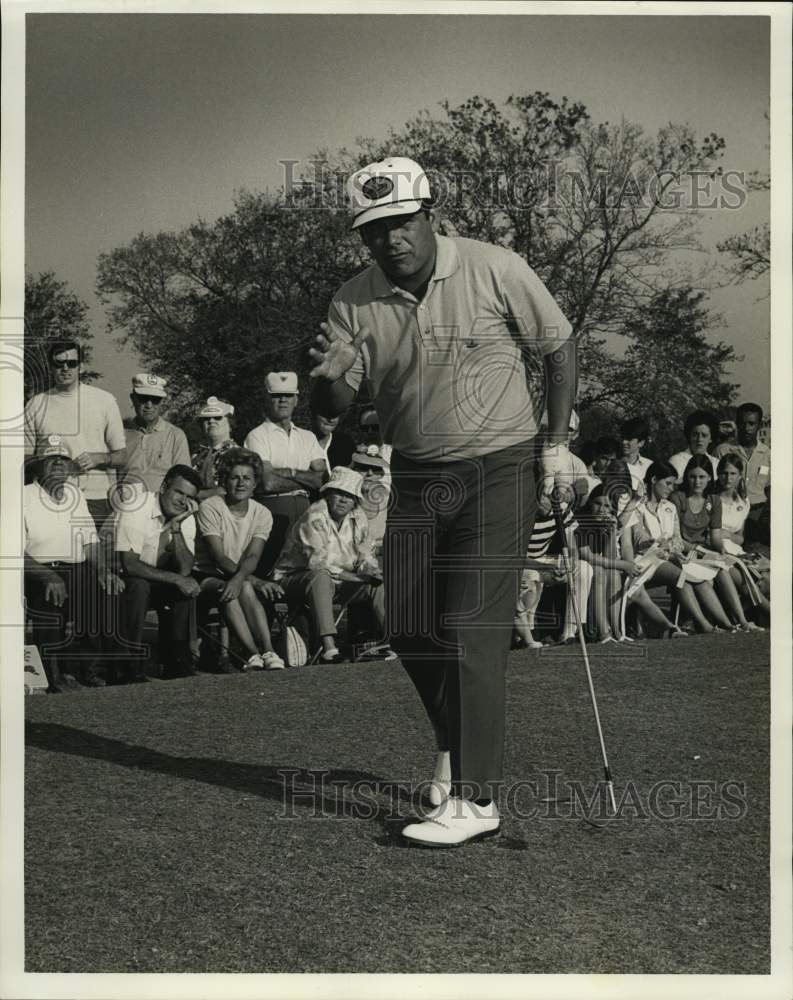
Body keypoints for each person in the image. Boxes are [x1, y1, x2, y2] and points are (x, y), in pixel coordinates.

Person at [310, 155, 576, 846]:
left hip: (501, 466)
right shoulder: (351, 299)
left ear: (430, 213)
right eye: (373, 231)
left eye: (400, 224)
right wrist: (331, 382)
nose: (389, 241)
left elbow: (558, 347)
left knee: (470, 625)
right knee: (403, 620)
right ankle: (456, 749)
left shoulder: (494, 266)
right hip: (418, 475)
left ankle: (477, 801)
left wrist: (552, 445)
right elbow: (331, 402)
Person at [24, 435, 125, 691]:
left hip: (76, 567)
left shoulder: (75, 494)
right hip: (38, 571)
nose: (58, 465)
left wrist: (103, 569)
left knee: (100, 588)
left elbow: (90, 541)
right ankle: (52, 674)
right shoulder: (22, 496)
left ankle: (88, 670)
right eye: (51, 459)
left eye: (63, 460)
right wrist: (48, 576)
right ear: (38, 465)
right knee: (48, 598)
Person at [273, 466, 387, 664]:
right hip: (293, 581)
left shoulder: (359, 518)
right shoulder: (315, 516)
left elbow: (365, 554)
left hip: (339, 582)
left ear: (355, 500)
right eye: (338, 494)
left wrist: (370, 571)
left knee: (377, 584)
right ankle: (329, 648)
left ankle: (394, 641)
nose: (343, 500)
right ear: (328, 494)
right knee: (321, 577)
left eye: (349, 495)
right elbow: (318, 563)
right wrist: (357, 577)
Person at [194, 448, 285, 671]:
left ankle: (269, 651)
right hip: (207, 573)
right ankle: (252, 654)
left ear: (255, 484)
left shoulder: (262, 513)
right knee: (233, 589)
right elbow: (218, 556)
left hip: (240, 573)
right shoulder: (211, 507)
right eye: (234, 477)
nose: (241, 483)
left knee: (242, 586)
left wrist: (242, 579)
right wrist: (247, 580)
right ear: (224, 481)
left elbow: (254, 554)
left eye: (247, 478)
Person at [24, 340, 126, 536]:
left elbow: (121, 456)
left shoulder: (104, 400)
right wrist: (49, 467)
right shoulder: (36, 404)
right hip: (49, 497)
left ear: (81, 366)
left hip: (95, 499)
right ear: (50, 366)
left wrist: (100, 458)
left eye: (71, 363)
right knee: (54, 558)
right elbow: (25, 458)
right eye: (58, 363)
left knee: (93, 561)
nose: (65, 368)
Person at [114, 464, 202, 681]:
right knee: (140, 586)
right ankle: (129, 665)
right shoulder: (136, 505)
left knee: (184, 587)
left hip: (152, 574)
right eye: (178, 492)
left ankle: (177, 662)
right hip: (113, 575)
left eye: (189, 496)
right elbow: (129, 564)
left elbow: (184, 568)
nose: (183, 501)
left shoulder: (185, 515)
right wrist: (177, 579)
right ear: (163, 487)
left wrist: (177, 529)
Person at [621, 462, 730, 635]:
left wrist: (669, 548)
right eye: (668, 483)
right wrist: (663, 546)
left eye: (673, 484)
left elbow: (678, 541)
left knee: (697, 575)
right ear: (654, 479)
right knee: (683, 575)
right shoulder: (637, 507)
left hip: (667, 558)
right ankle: (704, 625)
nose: (671, 489)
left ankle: (727, 624)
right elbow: (639, 539)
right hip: (644, 561)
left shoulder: (669, 507)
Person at [243, 372, 327, 574]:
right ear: (267, 398)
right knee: (271, 570)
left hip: (307, 510)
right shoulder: (257, 436)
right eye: (276, 395)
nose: (283, 400)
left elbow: (323, 479)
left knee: (307, 568)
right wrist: (306, 477)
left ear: (296, 399)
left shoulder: (307, 437)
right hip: (273, 509)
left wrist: (287, 472)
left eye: (288, 395)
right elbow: (268, 482)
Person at [669, 455, 761, 632]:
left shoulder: (713, 500)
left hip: (703, 552)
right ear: (687, 477)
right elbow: (677, 539)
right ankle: (726, 624)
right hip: (682, 552)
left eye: (702, 477)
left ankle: (741, 621)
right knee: (712, 570)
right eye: (693, 476)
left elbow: (716, 537)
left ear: (710, 478)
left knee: (722, 569)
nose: (697, 481)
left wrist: (721, 552)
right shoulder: (677, 498)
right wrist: (701, 551)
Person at [709, 453, 770, 616]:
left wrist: (727, 534)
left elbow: (740, 538)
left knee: (769, 578)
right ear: (718, 474)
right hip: (717, 551)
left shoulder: (743, 502)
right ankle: (773, 614)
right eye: (724, 473)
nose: (728, 478)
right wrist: (719, 536)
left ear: (739, 476)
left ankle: (737, 610)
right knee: (747, 582)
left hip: (737, 550)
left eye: (733, 474)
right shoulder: (712, 499)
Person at [122, 373, 191, 494]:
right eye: (143, 398)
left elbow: (183, 478)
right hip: (126, 502)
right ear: (133, 398)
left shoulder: (176, 435)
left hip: (160, 505)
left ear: (162, 402)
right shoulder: (121, 433)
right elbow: (110, 474)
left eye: (155, 400)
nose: (149, 405)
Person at [713, 402, 770, 544]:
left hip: (758, 515)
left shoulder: (768, 455)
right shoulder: (723, 450)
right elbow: (713, 483)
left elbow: (772, 489)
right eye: (742, 423)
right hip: (729, 516)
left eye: (752, 424)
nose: (747, 428)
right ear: (737, 424)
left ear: (759, 425)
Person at [191, 396, 240, 500]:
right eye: (206, 418)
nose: (211, 421)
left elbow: (227, 490)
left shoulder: (238, 454)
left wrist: (193, 495)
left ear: (230, 424)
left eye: (218, 417)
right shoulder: (196, 455)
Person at [668, 409, 719, 483]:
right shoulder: (676, 461)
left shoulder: (716, 464)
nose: (699, 439)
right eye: (695, 435)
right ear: (689, 436)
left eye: (704, 435)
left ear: (711, 438)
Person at [311, 408, 356, 473]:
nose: (331, 420)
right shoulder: (302, 443)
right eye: (325, 414)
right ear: (314, 415)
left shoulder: (345, 442)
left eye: (335, 415)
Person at [620, 417, 653, 495]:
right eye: (623, 438)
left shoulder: (649, 466)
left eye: (629, 439)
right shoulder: (611, 463)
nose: (624, 442)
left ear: (641, 443)